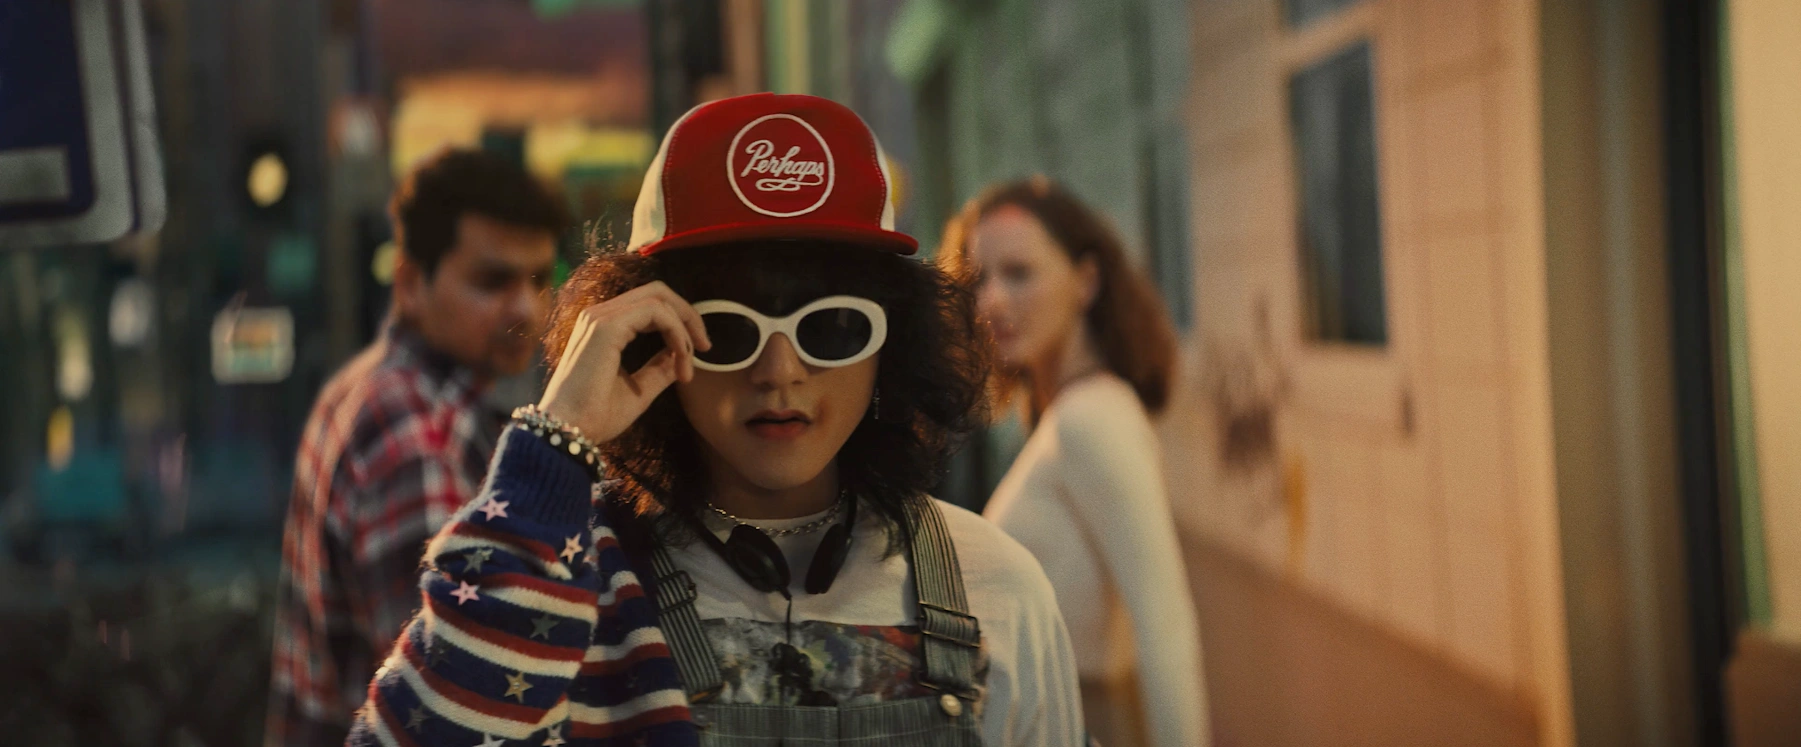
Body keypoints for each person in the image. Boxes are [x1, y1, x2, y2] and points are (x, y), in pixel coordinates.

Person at [347, 93, 1084, 746]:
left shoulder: (997, 589)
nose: (779, 370)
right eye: (726, 328)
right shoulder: (564, 581)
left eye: (831, 326)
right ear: (648, 337)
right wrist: (555, 436)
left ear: (892, 343)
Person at [267, 149, 567, 746]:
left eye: (539, 279)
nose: (526, 308)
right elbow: (451, 693)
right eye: (492, 281)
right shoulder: (416, 437)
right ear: (409, 283)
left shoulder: (374, 390)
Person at [937, 177, 1210, 747]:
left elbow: (1164, 625)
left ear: (1086, 280)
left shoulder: (1092, 419)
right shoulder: (1065, 416)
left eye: (1019, 273)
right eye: (980, 279)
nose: (992, 301)